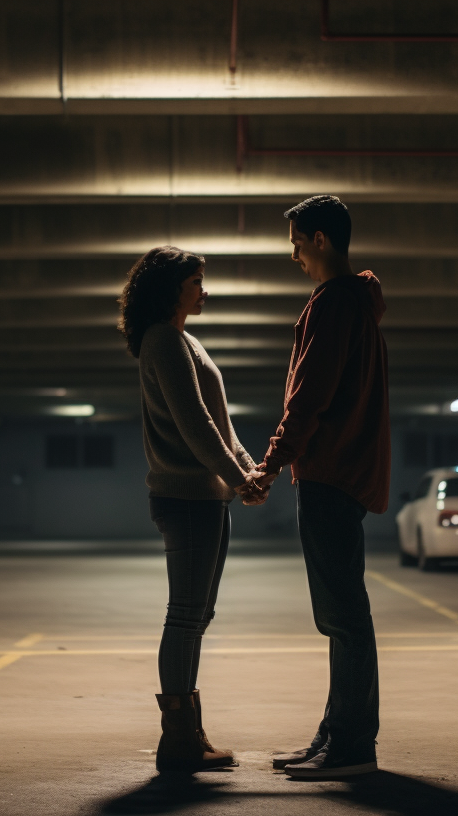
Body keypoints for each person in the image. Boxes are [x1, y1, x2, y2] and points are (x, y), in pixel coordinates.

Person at [246, 195, 390, 779]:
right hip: (344, 473)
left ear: (322, 239)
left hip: (331, 473)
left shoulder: (334, 305)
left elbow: (308, 397)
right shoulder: (356, 303)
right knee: (339, 614)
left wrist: (272, 463)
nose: (295, 256)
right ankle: (336, 733)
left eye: (298, 244)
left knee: (344, 614)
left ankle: (352, 745)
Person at [118, 245, 268, 774]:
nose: (205, 289)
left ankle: (190, 733)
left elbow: (220, 426)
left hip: (205, 496)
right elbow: (195, 424)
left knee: (197, 615)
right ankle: (178, 738)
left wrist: (249, 472)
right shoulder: (162, 341)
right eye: (197, 281)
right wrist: (238, 477)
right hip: (185, 497)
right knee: (184, 616)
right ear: (171, 288)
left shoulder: (184, 340)